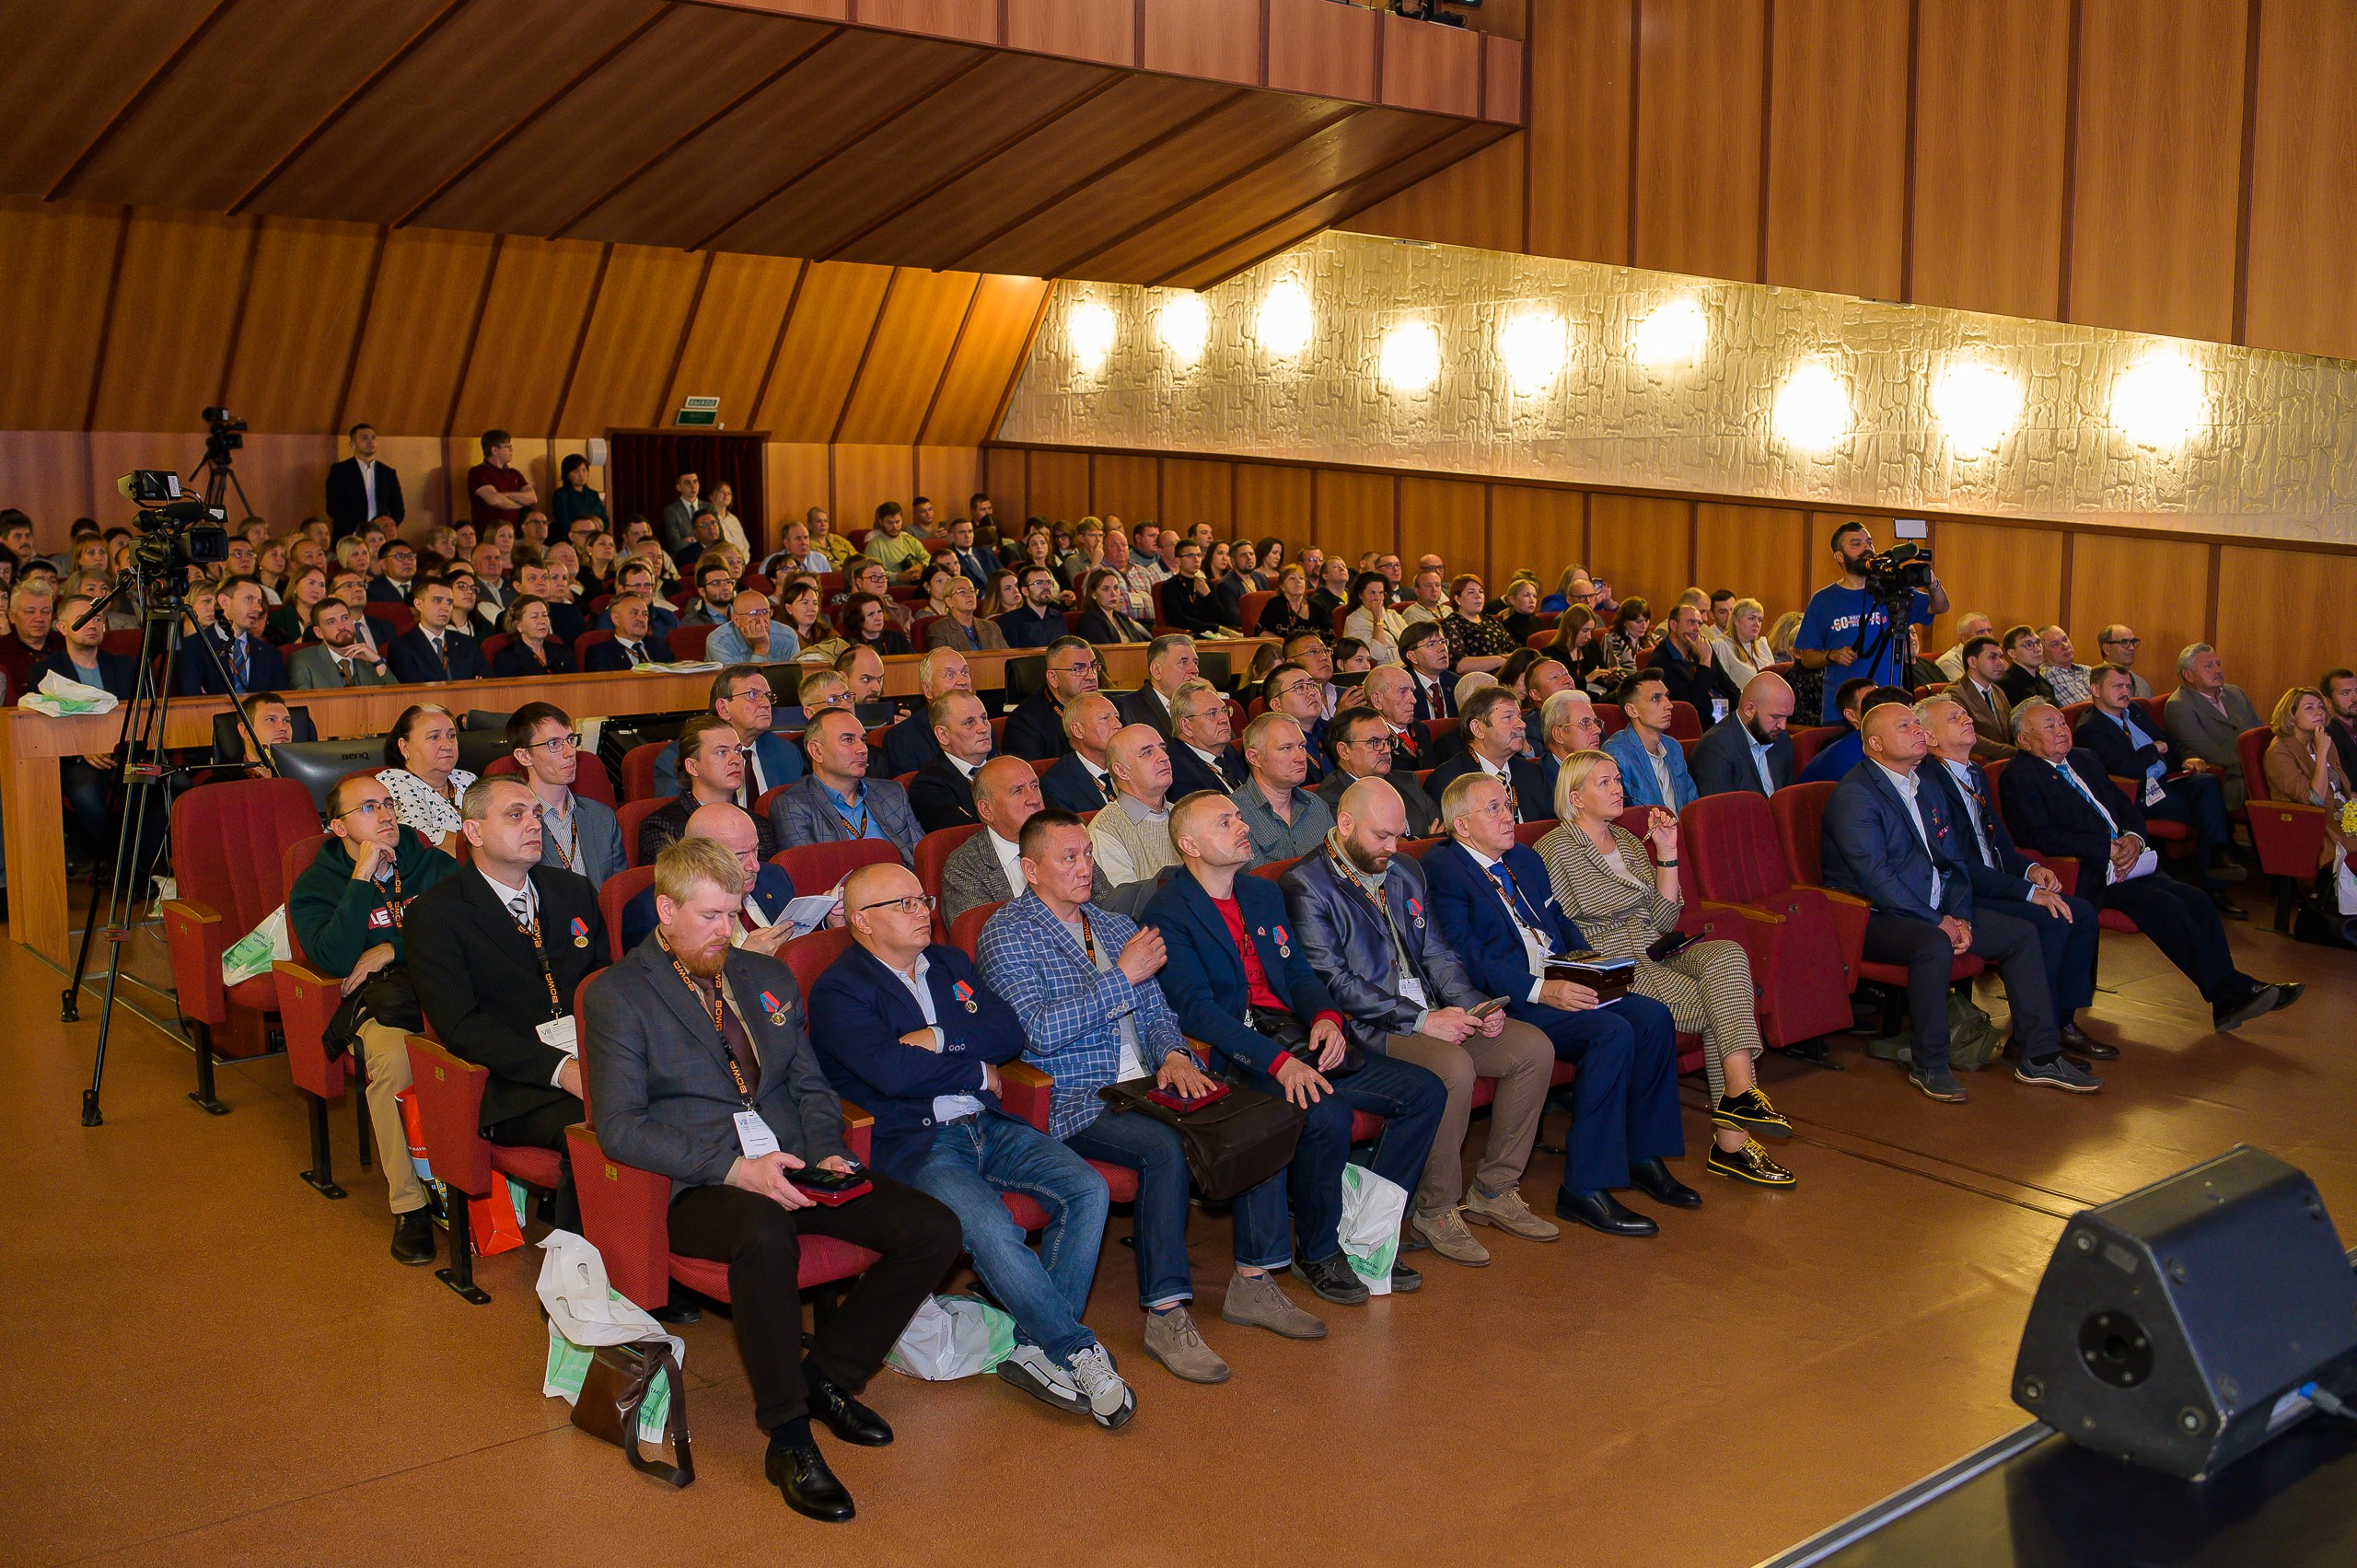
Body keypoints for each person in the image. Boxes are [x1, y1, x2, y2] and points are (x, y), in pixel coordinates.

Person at [585, 838, 959, 1522]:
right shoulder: (619, 994)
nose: (725, 931)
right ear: (665, 909)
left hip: (790, 1163)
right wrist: (735, 1168)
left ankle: (829, 1376)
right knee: (764, 1234)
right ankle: (788, 1436)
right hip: (698, 1183)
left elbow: (810, 1084)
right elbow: (619, 1127)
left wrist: (829, 1152)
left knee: (933, 1228)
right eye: (708, 916)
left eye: (732, 914)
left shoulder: (766, 976)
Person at [978, 811, 1323, 1380]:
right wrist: (1122, 977)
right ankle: (1166, 1313)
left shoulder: (1114, 925)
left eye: (1088, 855)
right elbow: (1035, 1032)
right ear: (1030, 869)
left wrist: (1174, 1055)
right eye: (1069, 858)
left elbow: (1160, 1013)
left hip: (1149, 1081)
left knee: (1260, 1117)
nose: (1085, 868)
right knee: (1164, 1149)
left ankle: (1254, 1282)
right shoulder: (1008, 933)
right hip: (1078, 1095)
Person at [808, 862, 1134, 1429]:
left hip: (987, 1123)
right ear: (861, 920)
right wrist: (974, 1070)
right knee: (988, 1228)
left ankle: (1033, 1346)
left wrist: (938, 1037)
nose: (921, 912)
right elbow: (891, 1072)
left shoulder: (950, 964)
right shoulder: (839, 990)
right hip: (920, 1141)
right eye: (903, 904)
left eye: (922, 900)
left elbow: (1007, 1033)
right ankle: (1074, 1349)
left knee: (1086, 1187)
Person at [1143, 791, 1443, 1299]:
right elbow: (1197, 1012)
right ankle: (1318, 1251)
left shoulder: (1260, 893)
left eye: (1239, 817)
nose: (1242, 826)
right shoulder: (1169, 911)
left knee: (1425, 1092)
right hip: (1240, 1056)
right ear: (1189, 845)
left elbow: (1299, 974)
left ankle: (1366, 1231)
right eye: (1225, 822)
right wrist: (1279, 1063)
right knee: (1324, 1113)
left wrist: (1326, 1017)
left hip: (1295, 1036)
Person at [1280, 778, 1560, 1263]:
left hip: (1431, 1011)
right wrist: (1423, 1020)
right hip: (1370, 1026)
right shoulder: (1307, 884)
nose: (1393, 847)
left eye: (1398, 835)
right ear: (1344, 824)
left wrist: (1475, 1006)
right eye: (1381, 836)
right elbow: (1336, 983)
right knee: (1452, 1066)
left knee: (1532, 1048)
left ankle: (1495, 1189)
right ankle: (1437, 1209)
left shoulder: (1405, 869)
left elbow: (1437, 953)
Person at [1518, 762, 1799, 1181]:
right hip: (1616, 962)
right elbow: (1565, 923)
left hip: (1656, 948)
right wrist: (1634, 906)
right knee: (1725, 1008)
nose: (1618, 789)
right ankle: (1732, 1140)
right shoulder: (1555, 849)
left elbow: (1664, 920)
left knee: (1728, 953)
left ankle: (1739, 1097)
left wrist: (1667, 852)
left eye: (1617, 780)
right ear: (1575, 798)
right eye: (1604, 783)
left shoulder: (1629, 841)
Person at [1820, 703, 2076, 1101]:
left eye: (1916, 723)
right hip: (1873, 916)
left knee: (2021, 933)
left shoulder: (1925, 785)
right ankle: (1930, 1063)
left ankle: (2039, 1055)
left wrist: (1961, 916)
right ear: (1876, 744)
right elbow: (1878, 880)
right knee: (1934, 943)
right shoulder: (1856, 795)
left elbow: (1954, 862)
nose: (1917, 730)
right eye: (1904, 726)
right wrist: (1937, 921)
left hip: (1932, 908)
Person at [2003, 700, 2296, 1034]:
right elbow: (2037, 835)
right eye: (2050, 726)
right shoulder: (2020, 775)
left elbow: (2124, 806)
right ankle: (2233, 991)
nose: (2061, 730)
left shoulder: (2084, 758)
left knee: (2197, 900)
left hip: (2131, 862)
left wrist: (2133, 839)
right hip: (2087, 873)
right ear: (2025, 740)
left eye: (2061, 722)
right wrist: (2104, 849)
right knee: (2165, 906)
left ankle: (2226, 998)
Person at [408, 777, 603, 1231]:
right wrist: (562, 1069)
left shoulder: (572, 890)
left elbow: (604, 982)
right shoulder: (437, 913)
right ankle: (586, 1266)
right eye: (515, 815)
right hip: (513, 1083)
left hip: (591, 1058)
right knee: (606, 1133)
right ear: (474, 832)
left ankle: (653, 1254)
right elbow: (462, 1026)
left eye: (535, 814)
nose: (533, 824)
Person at [287, 773, 459, 1262]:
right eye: (368, 808)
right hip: (383, 1002)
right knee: (394, 1064)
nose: (385, 815)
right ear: (338, 827)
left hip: (446, 984)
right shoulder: (316, 886)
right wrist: (361, 877)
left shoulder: (431, 864)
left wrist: (389, 948)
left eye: (388, 804)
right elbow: (336, 958)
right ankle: (410, 1207)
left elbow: (466, 927)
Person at [1913, 695, 2107, 1058]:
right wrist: (2027, 892)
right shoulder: (1927, 783)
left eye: (1965, 713)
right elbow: (1958, 864)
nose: (1967, 719)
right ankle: (2031, 1036)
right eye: (1954, 717)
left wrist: (2030, 869)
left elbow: (1998, 840)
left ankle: (2061, 1021)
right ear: (1931, 738)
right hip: (1963, 893)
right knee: (2052, 918)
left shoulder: (1973, 772)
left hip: (1994, 881)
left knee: (2081, 913)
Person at [2076, 663, 2245, 890]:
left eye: (2128, 686)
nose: (2125, 692)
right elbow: (2124, 768)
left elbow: (2168, 741)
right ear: (2096, 690)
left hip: (2166, 779)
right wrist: (2153, 750)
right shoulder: (2090, 729)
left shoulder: (2134, 711)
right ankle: (2216, 875)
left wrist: (2185, 760)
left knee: (2208, 783)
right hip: (2139, 793)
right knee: (2205, 810)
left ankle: (2218, 857)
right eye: (2118, 686)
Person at [1793, 520, 1948, 721]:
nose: (1866, 548)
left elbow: (1939, 607)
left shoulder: (1892, 590)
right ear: (1839, 556)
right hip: (1843, 712)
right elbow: (1807, 658)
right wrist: (1832, 655)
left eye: (1869, 542)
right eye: (1856, 544)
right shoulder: (1823, 600)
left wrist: (1933, 584)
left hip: (1890, 706)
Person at [620, 802, 810, 954]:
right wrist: (745, 963)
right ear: (700, 857)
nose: (755, 866)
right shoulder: (652, 912)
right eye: (739, 856)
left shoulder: (773, 877)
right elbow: (661, 984)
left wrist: (825, 925)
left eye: (755, 849)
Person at [771, 708, 922, 864]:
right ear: (817, 752)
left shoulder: (892, 793)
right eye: (848, 740)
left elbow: (921, 859)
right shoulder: (792, 806)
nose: (863, 749)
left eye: (863, 740)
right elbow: (813, 872)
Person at [505, 703, 624, 889]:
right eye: (554, 744)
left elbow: (619, 893)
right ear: (524, 756)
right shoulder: (512, 826)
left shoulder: (602, 817)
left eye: (570, 740)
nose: (570, 752)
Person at [644, 715, 784, 862]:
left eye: (737, 751)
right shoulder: (662, 827)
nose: (736, 760)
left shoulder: (758, 824)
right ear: (692, 767)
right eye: (721, 752)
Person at [2264, 686, 2357, 889]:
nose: (2319, 712)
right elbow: (2315, 799)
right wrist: (2322, 754)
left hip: (2344, 816)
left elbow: (2342, 788)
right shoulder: (2279, 753)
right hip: (2314, 825)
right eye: (2309, 708)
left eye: (2321, 707)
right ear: (2291, 718)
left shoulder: (2321, 741)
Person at [1426, 684, 1554, 824]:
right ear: (1478, 729)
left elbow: (1549, 827)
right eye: (1508, 717)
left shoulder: (1532, 773)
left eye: (1519, 716)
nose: (1521, 724)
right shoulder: (1447, 781)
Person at [2164, 643, 2266, 808]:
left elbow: (2259, 732)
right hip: (2232, 778)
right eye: (2208, 666)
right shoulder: (2179, 705)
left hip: (2259, 768)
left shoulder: (2236, 693)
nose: (2218, 670)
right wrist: (2258, 766)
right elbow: (2212, 753)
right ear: (2189, 675)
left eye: (2218, 664)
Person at [1232, 712, 1336, 868]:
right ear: (1255, 758)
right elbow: (1257, 879)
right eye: (1286, 748)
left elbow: (1339, 870)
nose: (1300, 757)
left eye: (1302, 746)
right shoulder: (1234, 814)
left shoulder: (1317, 805)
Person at [1088, 723, 1179, 887]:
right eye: (1147, 753)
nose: (1164, 757)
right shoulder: (1106, 829)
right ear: (1122, 771)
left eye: (1162, 748)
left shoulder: (1182, 814)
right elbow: (1124, 899)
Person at [377, 703, 473, 853]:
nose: (447, 745)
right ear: (404, 747)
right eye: (434, 737)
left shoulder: (466, 779)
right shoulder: (393, 782)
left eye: (451, 736)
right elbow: (422, 838)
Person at [1600, 669, 1696, 811]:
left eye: (1667, 696)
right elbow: (1624, 814)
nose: (1669, 705)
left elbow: (1692, 805)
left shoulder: (1673, 747)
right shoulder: (1617, 753)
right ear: (1632, 710)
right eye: (1656, 698)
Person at [1689, 671, 1796, 797]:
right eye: (1776, 717)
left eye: (1786, 717)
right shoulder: (1714, 749)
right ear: (1749, 710)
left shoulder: (1782, 740)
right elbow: (1722, 808)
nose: (1783, 726)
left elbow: (1787, 799)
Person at [180, 576, 286, 696]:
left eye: (259, 602)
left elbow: (279, 700)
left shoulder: (271, 654)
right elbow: (191, 700)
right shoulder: (190, 648)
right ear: (224, 602)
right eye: (249, 599)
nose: (258, 608)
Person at [909, 690, 992, 832]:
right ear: (943, 735)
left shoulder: (1008, 767)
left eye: (983, 718)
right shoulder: (929, 785)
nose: (983, 728)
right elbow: (964, 837)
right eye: (969, 722)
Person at [1647, 599, 1743, 724]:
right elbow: (1692, 705)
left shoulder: (1701, 649)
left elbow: (1729, 686)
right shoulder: (1660, 661)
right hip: (1699, 724)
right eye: (1691, 622)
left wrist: (1742, 714)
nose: (1697, 629)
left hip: (1725, 720)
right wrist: (1704, 661)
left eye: (1699, 624)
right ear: (1673, 625)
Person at [1003, 638, 1097, 761]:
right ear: (1053, 678)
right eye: (1078, 669)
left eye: (1093, 666)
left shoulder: (1113, 708)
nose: (1092, 676)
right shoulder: (1025, 725)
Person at [387, 579, 484, 683]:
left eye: (449, 602)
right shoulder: (402, 646)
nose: (445, 607)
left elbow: (488, 680)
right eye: (437, 600)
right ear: (419, 604)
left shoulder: (467, 643)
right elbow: (413, 687)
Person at [1041, 691, 1123, 814]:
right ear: (1078, 730)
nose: (1118, 725)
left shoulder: (1133, 765)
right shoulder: (1056, 785)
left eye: (1117, 717)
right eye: (1105, 718)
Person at [1166, 677, 1245, 798]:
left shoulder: (1227, 750)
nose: (1224, 719)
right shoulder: (1177, 769)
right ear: (1186, 726)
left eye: (1224, 711)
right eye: (1212, 713)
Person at [1948, 636, 2019, 761]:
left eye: (2001, 657)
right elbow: (1967, 737)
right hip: (1979, 763)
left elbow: (2012, 727)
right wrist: (2015, 753)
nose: (2000, 663)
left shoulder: (1998, 691)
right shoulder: (1954, 694)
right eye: (1992, 657)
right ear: (1972, 662)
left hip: (2006, 761)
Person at [326, 423, 403, 537]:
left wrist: (388, 527)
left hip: (381, 536)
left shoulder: (387, 472)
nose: (370, 441)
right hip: (350, 534)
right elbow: (334, 507)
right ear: (353, 444)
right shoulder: (340, 471)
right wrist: (359, 530)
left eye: (373, 437)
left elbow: (398, 507)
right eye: (364, 438)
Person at [1117, 633, 1197, 736]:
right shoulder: (1126, 708)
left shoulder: (1200, 705)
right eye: (1183, 662)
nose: (1195, 670)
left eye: (1195, 662)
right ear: (1157, 670)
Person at [486, 596, 574, 677]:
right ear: (518, 625)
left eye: (544, 615)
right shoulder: (506, 658)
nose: (542, 621)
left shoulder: (562, 651)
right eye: (534, 617)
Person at [585, 591, 673, 670]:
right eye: (634, 613)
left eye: (645, 614)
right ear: (615, 618)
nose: (641, 619)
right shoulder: (601, 653)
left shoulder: (659, 645)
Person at [467, 430, 537, 528]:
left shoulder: (514, 473)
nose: (511, 450)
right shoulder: (478, 472)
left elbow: (532, 498)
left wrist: (506, 494)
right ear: (494, 450)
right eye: (508, 447)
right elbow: (494, 500)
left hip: (515, 531)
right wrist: (521, 504)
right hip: (489, 532)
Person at [1074, 565, 1152, 645]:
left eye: (1116, 588)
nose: (1113, 594)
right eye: (1105, 589)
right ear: (1094, 594)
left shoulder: (1123, 618)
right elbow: (1106, 650)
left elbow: (1140, 645)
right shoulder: (1089, 620)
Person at [1712, 597, 1778, 687]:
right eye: (1751, 618)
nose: (1757, 624)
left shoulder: (1762, 645)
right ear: (1736, 620)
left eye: (1760, 619)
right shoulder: (1722, 646)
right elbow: (1722, 685)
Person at [1399, 621, 1457, 723]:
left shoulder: (1455, 683)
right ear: (1412, 656)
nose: (1442, 648)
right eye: (1431, 645)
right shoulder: (1401, 689)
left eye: (1442, 642)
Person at [861, 501, 931, 581]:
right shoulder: (874, 546)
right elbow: (873, 573)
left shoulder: (910, 540)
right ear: (881, 522)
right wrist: (898, 577)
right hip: (889, 586)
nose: (894, 526)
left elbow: (928, 558)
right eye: (889, 523)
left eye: (897, 522)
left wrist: (921, 566)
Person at [1995, 623, 2054, 706]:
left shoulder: (2044, 682)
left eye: (2038, 642)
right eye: (2028, 644)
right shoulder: (2004, 685)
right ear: (2012, 653)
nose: (2037, 649)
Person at [2039, 625, 2094, 706]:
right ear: (2042, 652)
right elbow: (2082, 708)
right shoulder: (2050, 674)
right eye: (2055, 644)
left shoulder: (2087, 669)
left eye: (2065, 639)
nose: (2065, 646)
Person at [2095, 625, 2154, 698]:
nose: (2132, 648)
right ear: (2107, 649)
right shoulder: (2092, 683)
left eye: (2133, 642)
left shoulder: (2143, 685)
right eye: (2125, 642)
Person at [1933, 612, 1994, 681]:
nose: (1988, 636)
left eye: (1989, 631)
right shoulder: (1949, 661)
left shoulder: (1994, 657)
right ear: (1964, 638)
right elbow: (1967, 688)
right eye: (1980, 632)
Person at [679, 557, 738, 628]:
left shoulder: (743, 611)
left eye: (728, 582)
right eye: (716, 583)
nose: (726, 587)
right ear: (702, 592)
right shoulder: (692, 623)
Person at [658, 471, 704, 554]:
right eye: (687, 483)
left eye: (695, 481)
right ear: (679, 487)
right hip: (686, 556)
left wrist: (691, 539)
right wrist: (703, 539)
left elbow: (719, 538)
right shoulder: (671, 511)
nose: (693, 486)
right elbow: (676, 545)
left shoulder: (709, 507)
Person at [367, 540, 419, 605]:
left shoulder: (426, 584)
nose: (407, 562)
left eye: (410, 556)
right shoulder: (373, 590)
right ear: (383, 564)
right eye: (400, 556)